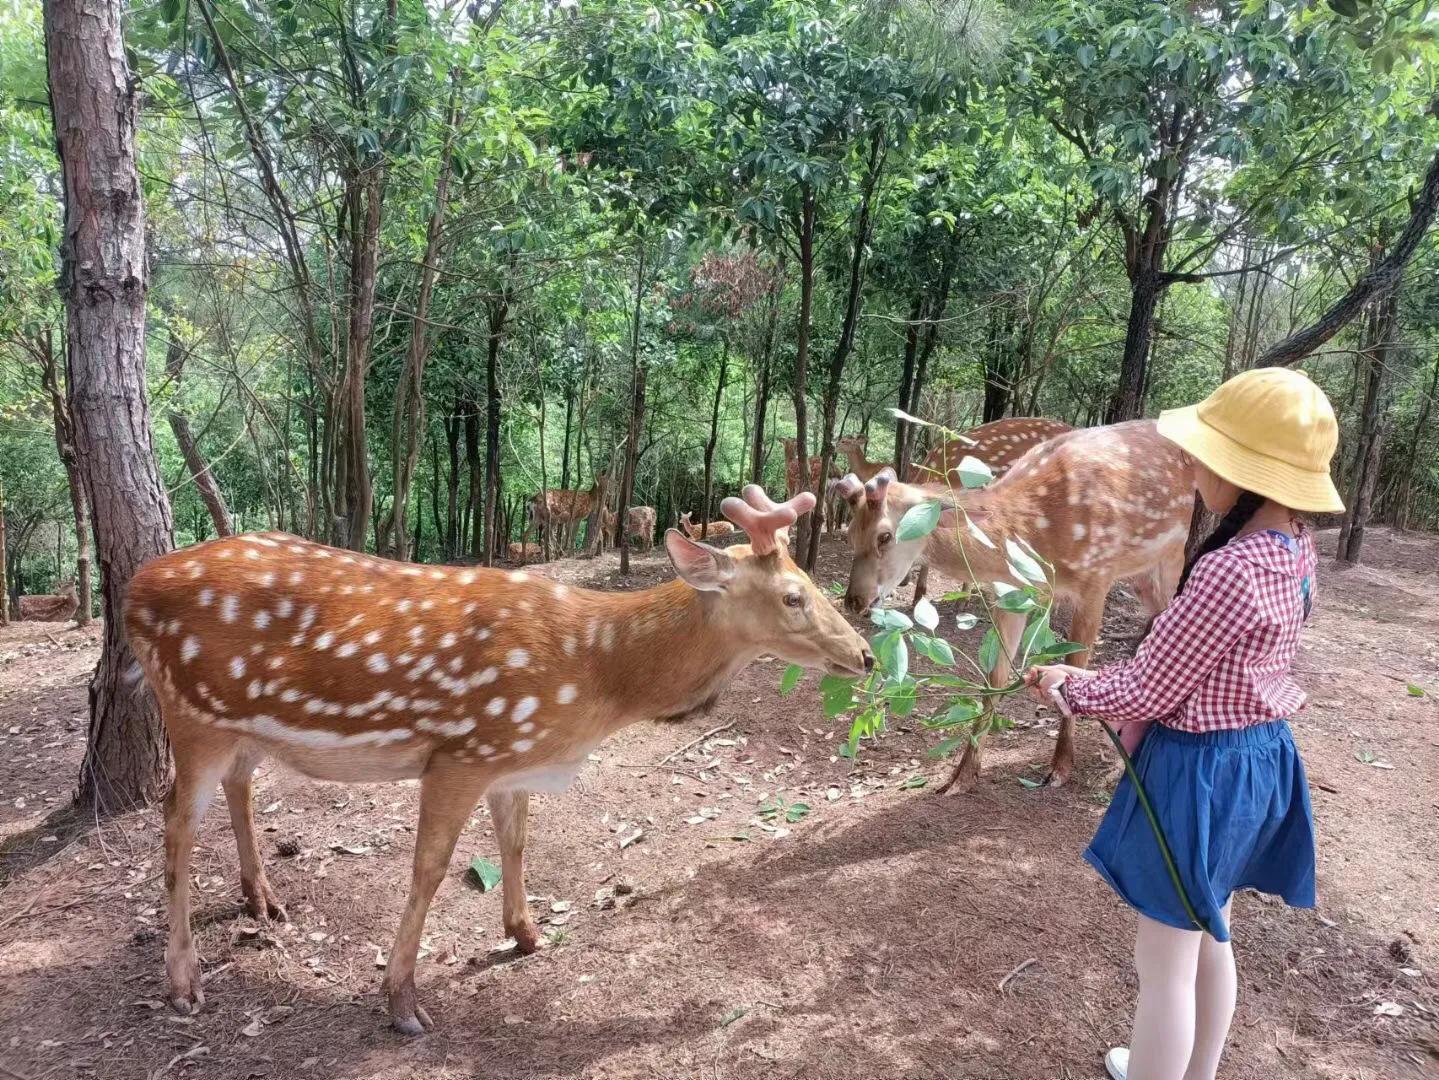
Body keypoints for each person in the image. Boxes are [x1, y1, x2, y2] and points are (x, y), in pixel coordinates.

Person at [1026, 367, 1344, 1080]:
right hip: (1257, 758)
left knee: (1162, 961)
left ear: (1245, 472)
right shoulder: (1293, 546)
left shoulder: (1228, 569)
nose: (1193, 462)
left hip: (1199, 774)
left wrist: (1068, 691)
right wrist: (1091, 680)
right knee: (1209, 929)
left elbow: (1147, 687)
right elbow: (1184, 674)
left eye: (1208, 453)